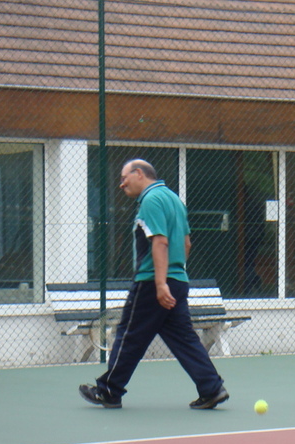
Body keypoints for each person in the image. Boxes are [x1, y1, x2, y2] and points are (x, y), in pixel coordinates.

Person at [79, 159, 229, 410]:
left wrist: (160, 283)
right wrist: (173, 276)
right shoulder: (174, 200)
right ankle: (212, 388)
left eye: (124, 177)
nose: (121, 184)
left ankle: (109, 391)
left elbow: (160, 242)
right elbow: (186, 244)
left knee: (129, 335)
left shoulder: (151, 200)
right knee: (183, 338)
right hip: (178, 281)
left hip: (151, 284)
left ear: (139, 173)